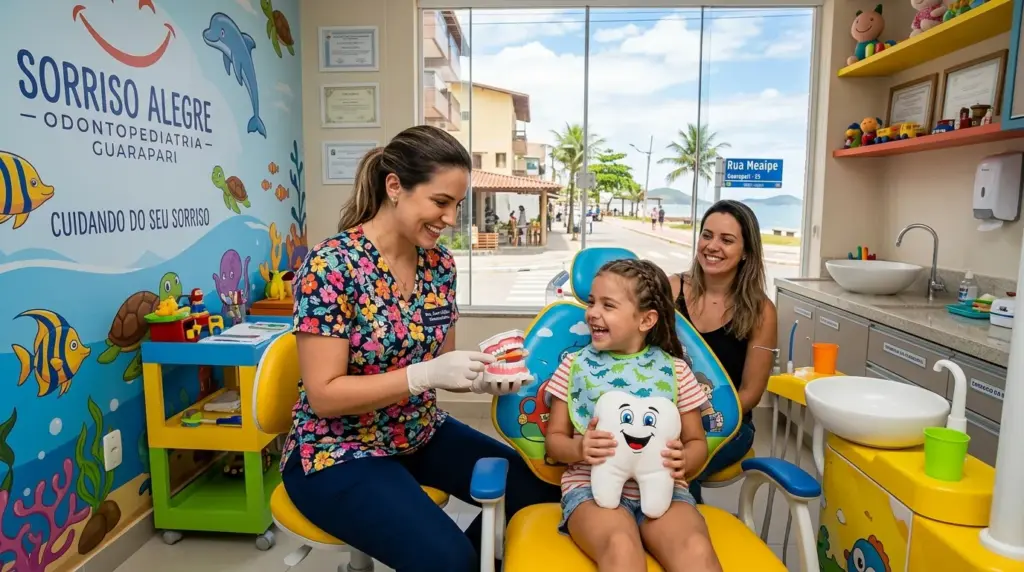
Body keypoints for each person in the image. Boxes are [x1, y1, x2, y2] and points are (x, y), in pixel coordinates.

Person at [281, 125, 561, 572]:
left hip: (418, 432)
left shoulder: (439, 265)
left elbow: (441, 362)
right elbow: (325, 396)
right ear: (395, 186)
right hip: (339, 450)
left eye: (457, 205)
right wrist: (423, 376)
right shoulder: (332, 265)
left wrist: (483, 379)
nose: (451, 219)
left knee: (538, 489)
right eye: (440, 202)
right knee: (450, 560)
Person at [544, 259, 723, 572]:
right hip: (589, 489)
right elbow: (554, 443)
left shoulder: (675, 371)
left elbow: (697, 441)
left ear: (646, 320)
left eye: (608, 305)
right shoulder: (574, 367)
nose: (593, 313)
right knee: (621, 546)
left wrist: (687, 459)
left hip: (665, 488)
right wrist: (579, 448)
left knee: (695, 550)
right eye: (591, 302)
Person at [669, 199, 778, 505]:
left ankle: (683, 539)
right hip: (666, 417)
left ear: (746, 252)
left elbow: (751, 393)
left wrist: (697, 424)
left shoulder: (761, 311)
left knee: (671, 465)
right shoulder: (670, 289)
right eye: (707, 235)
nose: (712, 246)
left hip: (729, 424)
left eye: (726, 240)